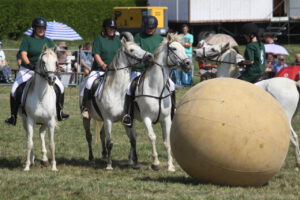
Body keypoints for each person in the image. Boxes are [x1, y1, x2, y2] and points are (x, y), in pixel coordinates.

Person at [5, 17, 69, 125]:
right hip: (28, 70)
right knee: (14, 89)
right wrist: (30, 65)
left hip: (45, 72)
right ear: (34, 28)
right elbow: (23, 54)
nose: (41, 29)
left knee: (61, 87)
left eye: (43, 28)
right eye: (39, 27)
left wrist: (55, 66)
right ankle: (13, 116)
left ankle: (59, 112)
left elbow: (54, 56)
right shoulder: (27, 40)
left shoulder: (49, 41)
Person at [121, 15, 176, 127]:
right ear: (144, 27)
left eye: (152, 28)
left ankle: (172, 111)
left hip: (157, 73)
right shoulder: (138, 37)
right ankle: (128, 114)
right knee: (129, 88)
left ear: (155, 27)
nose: (150, 29)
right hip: (140, 70)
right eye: (148, 27)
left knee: (172, 84)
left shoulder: (160, 39)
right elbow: (135, 54)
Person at [80, 18, 121, 118]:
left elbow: (121, 55)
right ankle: (86, 107)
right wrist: (103, 65)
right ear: (105, 28)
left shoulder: (117, 41)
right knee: (89, 83)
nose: (112, 29)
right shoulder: (99, 39)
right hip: (99, 70)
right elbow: (96, 54)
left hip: (114, 71)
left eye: (113, 28)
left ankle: (125, 109)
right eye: (109, 28)